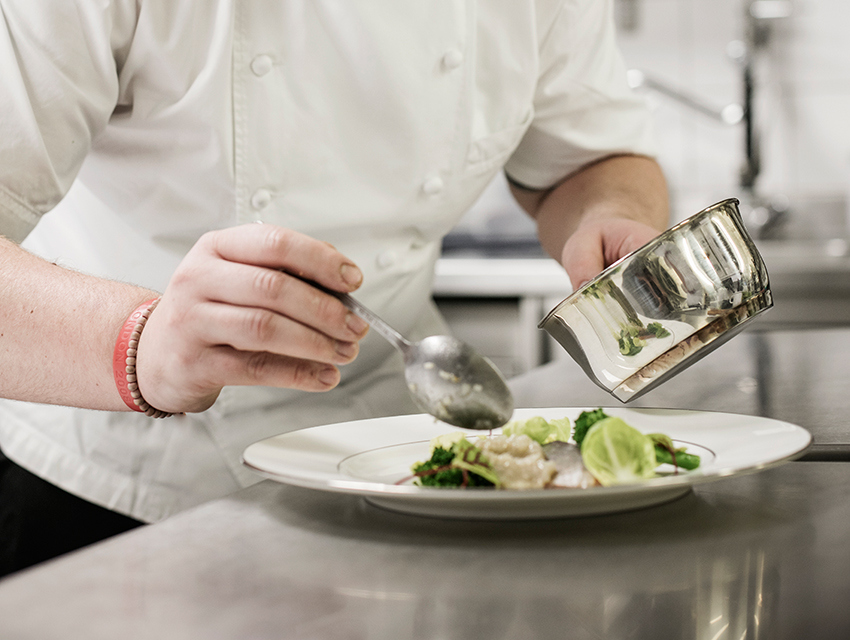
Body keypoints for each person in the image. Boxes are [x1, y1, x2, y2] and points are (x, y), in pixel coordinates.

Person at [0, 0, 668, 574]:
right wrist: (145, 344)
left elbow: (588, 157)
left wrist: (606, 213)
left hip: (397, 456)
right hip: (117, 488)